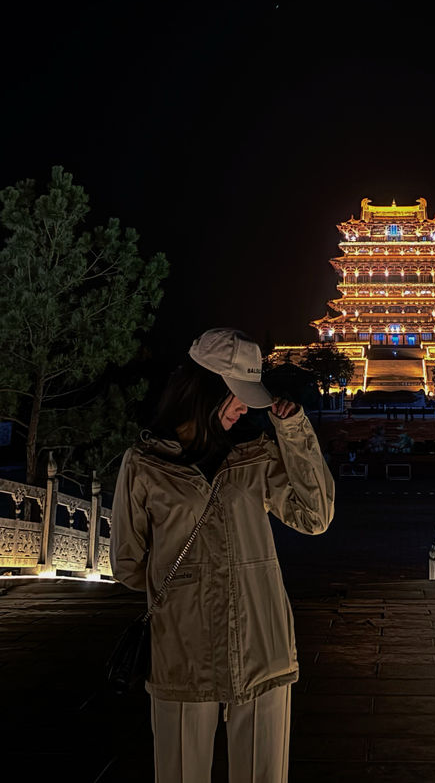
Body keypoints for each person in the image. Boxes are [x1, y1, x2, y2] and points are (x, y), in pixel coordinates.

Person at [110, 328, 335, 783]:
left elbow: (316, 516)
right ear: (205, 389)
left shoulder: (255, 456)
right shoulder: (145, 464)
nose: (242, 408)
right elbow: (127, 564)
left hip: (262, 644)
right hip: (183, 651)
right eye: (235, 395)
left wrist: (293, 433)